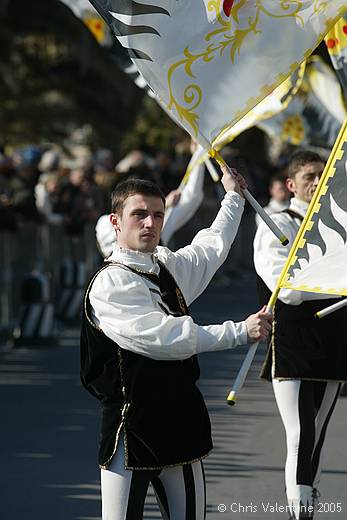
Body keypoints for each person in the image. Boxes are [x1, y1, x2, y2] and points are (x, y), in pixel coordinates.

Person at [80, 165, 272, 520]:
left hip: (182, 418)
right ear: (115, 221)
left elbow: (210, 247)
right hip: (132, 428)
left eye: (157, 214)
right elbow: (167, 339)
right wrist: (238, 332)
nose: (150, 224)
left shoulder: (164, 266)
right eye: (139, 215)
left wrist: (233, 196)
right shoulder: (111, 284)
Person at [253, 150, 347, 520]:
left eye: (323, 174)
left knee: (318, 434)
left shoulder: (340, 224)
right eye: (309, 175)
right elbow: (287, 288)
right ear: (291, 184)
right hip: (292, 338)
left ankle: (307, 501)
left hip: (333, 336)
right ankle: (299, 509)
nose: (317, 181)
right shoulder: (277, 223)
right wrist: (339, 284)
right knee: (301, 431)